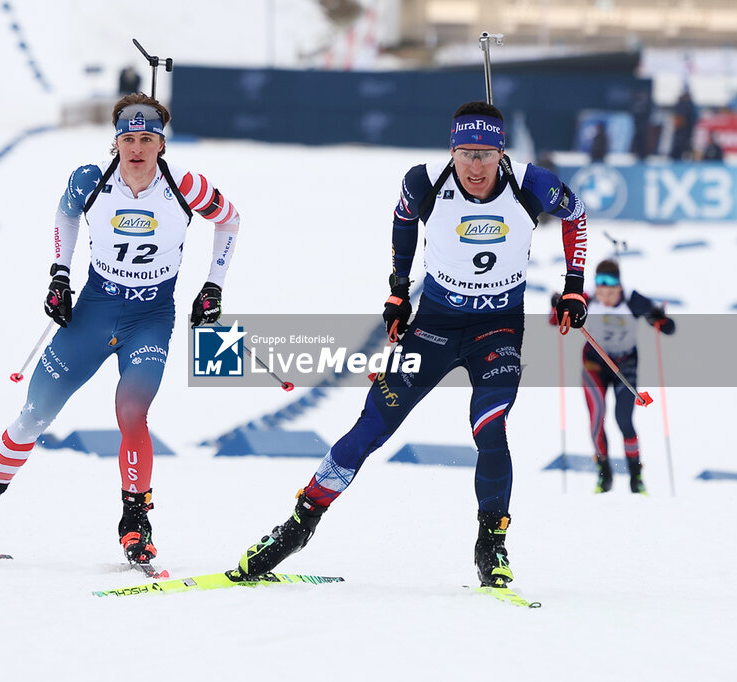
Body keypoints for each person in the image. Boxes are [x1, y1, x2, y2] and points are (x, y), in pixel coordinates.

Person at [235, 101, 589, 589]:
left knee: (489, 426)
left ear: (501, 153)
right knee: (371, 425)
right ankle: (300, 522)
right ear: (452, 151)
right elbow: (402, 223)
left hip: (497, 330)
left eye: (486, 154)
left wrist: (574, 284)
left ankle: (492, 543)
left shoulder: (531, 183)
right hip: (434, 327)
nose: (475, 166)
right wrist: (398, 291)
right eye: (466, 153)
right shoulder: (424, 181)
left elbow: (577, 215)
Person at [0, 93, 241, 568]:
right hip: (93, 311)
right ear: (115, 141)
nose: (137, 148)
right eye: (128, 138)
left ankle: (136, 521)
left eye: (147, 139)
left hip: (150, 319)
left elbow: (229, 220)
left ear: (161, 144)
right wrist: (59, 275)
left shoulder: (184, 185)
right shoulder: (91, 180)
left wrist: (214, 285)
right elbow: (65, 215)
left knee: (131, 411)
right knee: (34, 413)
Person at [556, 259, 675, 494]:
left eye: (611, 294)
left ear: (619, 288)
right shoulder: (587, 299)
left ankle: (635, 477)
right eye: (602, 293)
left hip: (625, 364)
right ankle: (604, 475)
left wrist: (658, 317)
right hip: (594, 364)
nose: (606, 299)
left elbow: (668, 327)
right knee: (596, 418)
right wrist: (556, 306)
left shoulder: (633, 300)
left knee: (623, 419)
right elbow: (556, 321)